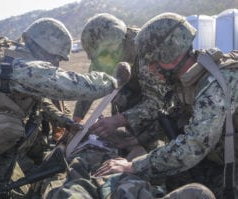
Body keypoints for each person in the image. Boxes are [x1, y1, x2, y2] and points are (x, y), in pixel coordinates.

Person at [0, 17, 120, 198]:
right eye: (55, 58)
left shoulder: (6, 56)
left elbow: (40, 101)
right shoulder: (22, 68)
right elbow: (71, 86)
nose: (56, 64)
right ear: (43, 49)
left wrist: (64, 121)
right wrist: (112, 81)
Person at [93, 12, 238, 198]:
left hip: (228, 167)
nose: (151, 70)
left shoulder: (214, 84)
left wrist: (132, 166)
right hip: (220, 159)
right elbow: (175, 120)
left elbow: (192, 146)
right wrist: (136, 140)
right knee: (170, 179)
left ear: (171, 56)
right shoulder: (188, 81)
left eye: (153, 62)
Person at [74, 13, 168, 157]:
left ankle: (146, 146)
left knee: (143, 147)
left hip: (156, 102)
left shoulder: (144, 49)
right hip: (127, 96)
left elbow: (157, 102)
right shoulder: (102, 54)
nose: (107, 58)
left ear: (120, 41)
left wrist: (118, 120)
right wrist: (76, 122)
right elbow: (90, 88)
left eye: (110, 52)